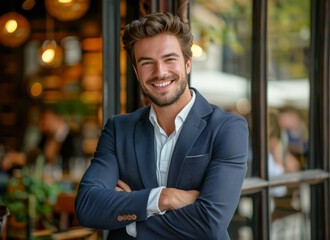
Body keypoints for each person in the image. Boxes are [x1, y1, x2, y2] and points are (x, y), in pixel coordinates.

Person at [75, 12, 249, 239]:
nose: (160, 72)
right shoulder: (119, 130)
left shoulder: (227, 128)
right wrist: (164, 198)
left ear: (187, 63)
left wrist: (132, 221)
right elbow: (87, 207)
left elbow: (210, 222)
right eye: (147, 63)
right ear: (137, 72)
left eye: (169, 59)